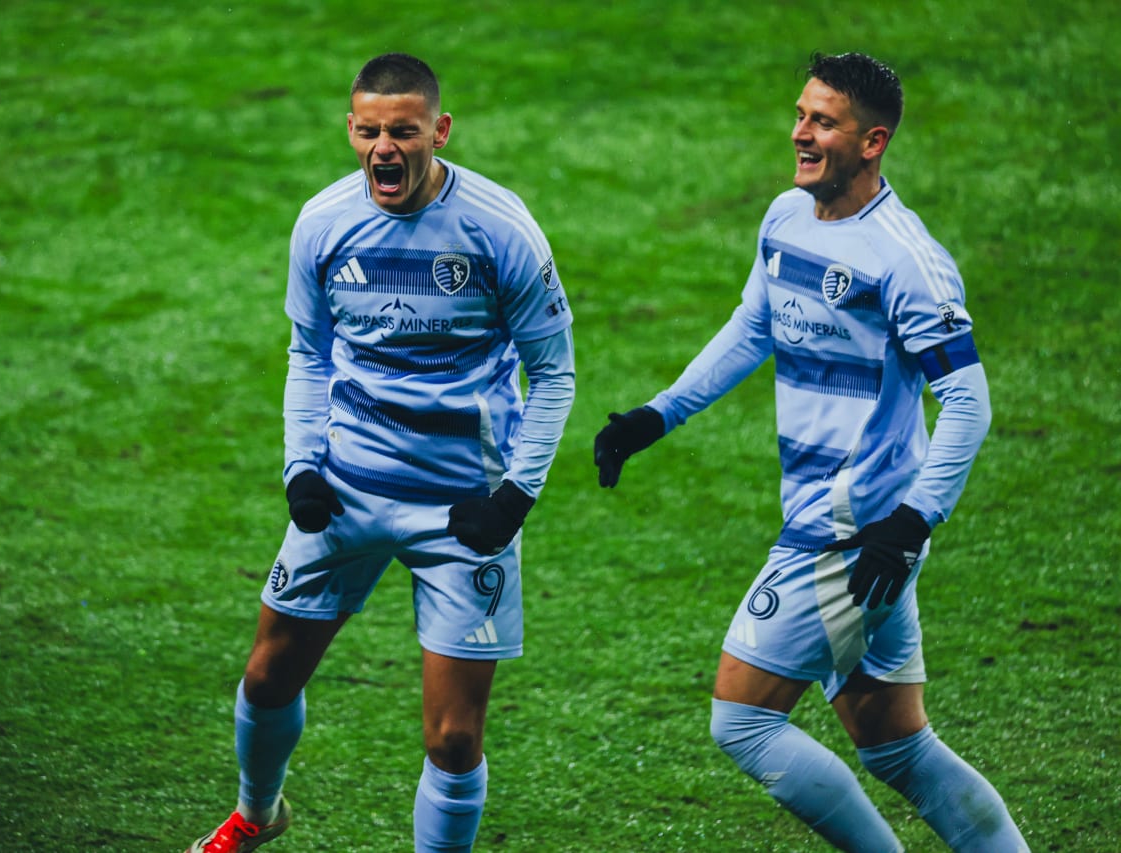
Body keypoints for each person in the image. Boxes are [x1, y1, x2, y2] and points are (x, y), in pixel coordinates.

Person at [593, 51, 1027, 851]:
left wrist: (909, 523)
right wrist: (657, 415)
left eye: (823, 122)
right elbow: (751, 326)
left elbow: (969, 403)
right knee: (897, 746)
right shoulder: (786, 217)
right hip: (849, 522)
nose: (800, 133)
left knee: (743, 718)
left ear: (873, 141)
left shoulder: (907, 260)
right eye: (800, 115)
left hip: (852, 527)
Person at [185, 53, 575, 853]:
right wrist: (301, 466)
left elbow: (556, 370)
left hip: (463, 512)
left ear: (440, 129)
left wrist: (514, 499)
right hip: (347, 489)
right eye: (368, 131)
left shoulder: (499, 228)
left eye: (403, 131)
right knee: (266, 675)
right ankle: (256, 815)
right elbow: (309, 353)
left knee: (454, 740)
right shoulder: (323, 222)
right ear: (351, 129)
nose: (383, 149)